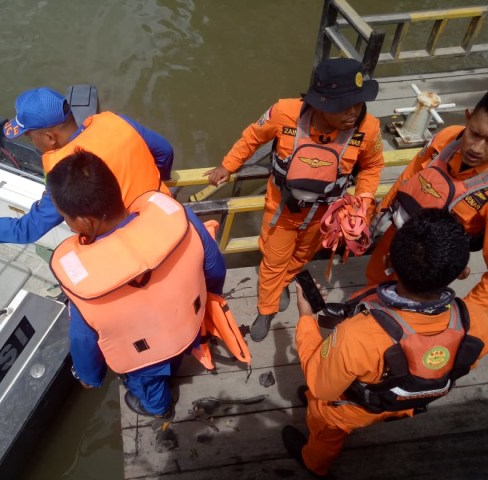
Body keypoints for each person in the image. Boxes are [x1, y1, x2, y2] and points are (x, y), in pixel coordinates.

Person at [284, 209, 488, 478]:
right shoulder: (477, 320)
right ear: (462, 273)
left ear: (389, 259)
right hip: (408, 400)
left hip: (353, 408)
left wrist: (306, 317)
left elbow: (321, 385)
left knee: (326, 423)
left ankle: (314, 464)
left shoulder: (356, 335)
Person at [206, 58, 384, 342]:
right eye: (343, 105)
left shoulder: (368, 129)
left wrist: (363, 205)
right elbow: (253, 137)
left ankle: (285, 283)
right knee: (274, 259)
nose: (353, 112)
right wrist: (228, 166)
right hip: (283, 209)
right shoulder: (285, 112)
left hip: (324, 214)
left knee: (302, 256)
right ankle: (266, 309)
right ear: (321, 102)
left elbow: (373, 167)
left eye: (358, 103)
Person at [47, 149, 226, 420]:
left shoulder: (83, 284)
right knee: (173, 358)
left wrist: (89, 377)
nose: (68, 223)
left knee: (149, 386)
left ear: (85, 221)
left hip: (144, 356)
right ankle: (174, 365)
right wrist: (211, 297)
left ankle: (160, 409)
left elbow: (83, 339)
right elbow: (214, 266)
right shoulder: (180, 217)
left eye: (66, 217)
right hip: (189, 323)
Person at [0, 87, 174, 246]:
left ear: (49, 138)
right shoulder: (114, 121)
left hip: (134, 242)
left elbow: (27, 229)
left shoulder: (62, 170)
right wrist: (154, 181)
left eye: (29, 136)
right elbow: (164, 152)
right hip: (166, 213)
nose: (31, 142)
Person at [366, 91, 488, 308]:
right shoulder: (446, 137)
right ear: (468, 117)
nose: (476, 148)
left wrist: (469, 314)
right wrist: (376, 218)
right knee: (372, 289)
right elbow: (409, 177)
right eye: (475, 134)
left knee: (407, 316)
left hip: (429, 273)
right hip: (395, 239)